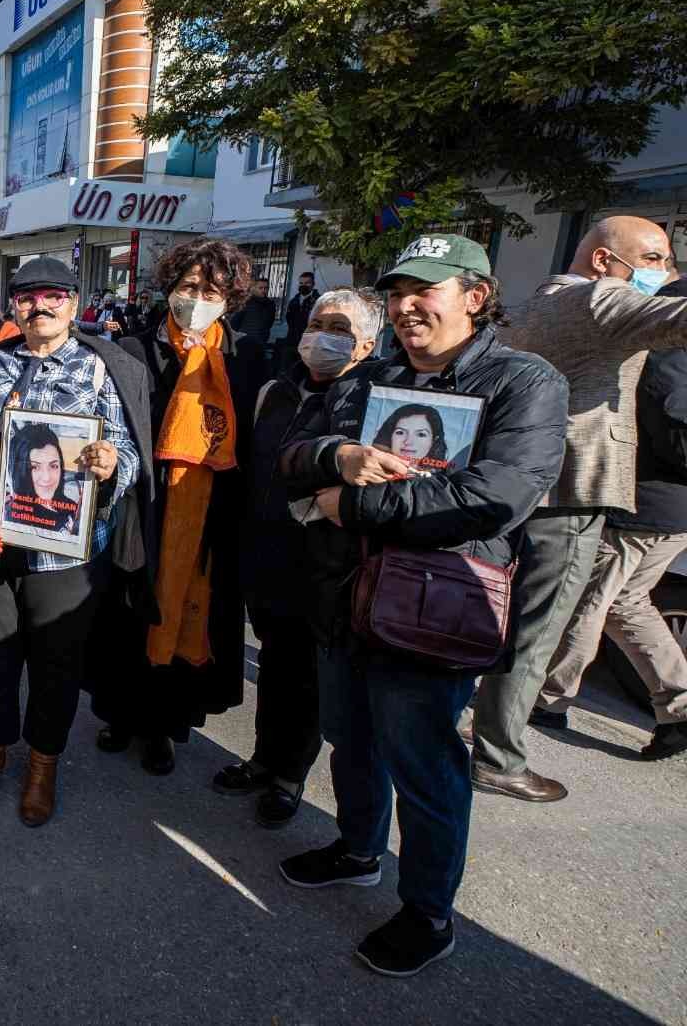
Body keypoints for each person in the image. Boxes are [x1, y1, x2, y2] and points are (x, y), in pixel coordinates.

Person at [276, 233, 568, 977]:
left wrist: (358, 505)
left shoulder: (523, 382)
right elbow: (289, 455)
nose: (408, 306)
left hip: (436, 608)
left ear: (475, 296)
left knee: (426, 766)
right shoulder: (366, 376)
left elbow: (497, 495)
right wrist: (336, 458)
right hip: (344, 598)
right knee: (351, 738)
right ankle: (358, 848)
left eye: (426, 290)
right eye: (398, 291)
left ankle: (428, 910)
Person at [469, 216, 687, 802]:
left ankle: (481, 733)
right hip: (570, 493)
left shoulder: (539, 300)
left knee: (501, 618)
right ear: (601, 260)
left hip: (520, 484)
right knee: (535, 634)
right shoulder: (601, 299)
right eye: (654, 257)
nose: (665, 272)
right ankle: (498, 756)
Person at [0, 256, 144, 827]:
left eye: (54, 295)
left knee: (56, 663)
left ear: (73, 303)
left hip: (65, 552)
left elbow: (127, 452)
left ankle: (42, 765)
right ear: (14, 306)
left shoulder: (101, 368)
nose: (41, 305)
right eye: (29, 296)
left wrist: (112, 463)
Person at [89, 237, 267, 776]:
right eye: (188, 287)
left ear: (229, 297)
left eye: (210, 289)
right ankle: (122, 715)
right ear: (169, 289)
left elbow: (255, 443)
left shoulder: (245, 357)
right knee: (127, 610)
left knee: (190, 607)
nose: (196, 298)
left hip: (209, 512)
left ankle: (164, 726)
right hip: (141, 505)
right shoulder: (134, 351)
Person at [211, 288, 383, 828]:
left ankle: (289, 777)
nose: (322, 335)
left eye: (339, 327)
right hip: (266, 557)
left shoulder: (371, 400)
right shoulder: (275, 391)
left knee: (308, 679)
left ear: (367, 343)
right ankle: (264, 759)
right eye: (316, 323)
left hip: (327, 568)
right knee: (276, 666)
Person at [534, 327, 687, 761]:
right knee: (626, 603)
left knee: (586, 601)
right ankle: (678, 707)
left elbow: (671, 416)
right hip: (670, 511)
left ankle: (546, 700)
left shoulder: (666, 350)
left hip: (645, 508)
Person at [5, 423, 80, 533]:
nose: (46, 477)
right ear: (21, 473)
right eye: (35, 467)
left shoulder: (72, 507)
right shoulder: (16, 519)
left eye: (53, 466)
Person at [374, 403, 449, 469]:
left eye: (421, 434)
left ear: (434, 440)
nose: (408, 442)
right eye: (400, 432)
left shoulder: (441, 482)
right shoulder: (367, 470)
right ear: (390, 436)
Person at [280, 271, 321, 370]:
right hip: (292, 341)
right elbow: (289, 319)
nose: (303, 285)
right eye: (301, 283)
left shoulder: (318, 301)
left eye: (307, 283)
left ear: (313, 284)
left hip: (309, 343)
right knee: (287, 370)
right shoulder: (294, 301)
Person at [234, 277, 277, 342]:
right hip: (244, 339)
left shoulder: (270, 304)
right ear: (254, 288)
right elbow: (236, 321)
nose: (263, 290)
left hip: (261, 341)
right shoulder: (246, 302)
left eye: (266, 288)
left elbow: (269, 322)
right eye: (260, 288)